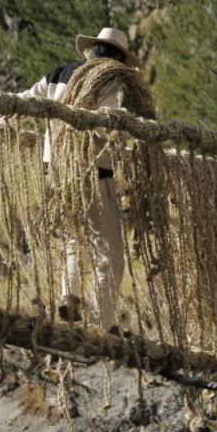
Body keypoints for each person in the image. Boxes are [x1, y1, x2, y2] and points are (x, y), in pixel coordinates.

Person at [18, 27, 145, 333]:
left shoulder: (59, 74)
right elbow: (104, 127)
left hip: (58, 170)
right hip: (94, 171)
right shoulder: (110, 80)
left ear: (92, 50)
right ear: (116, 58)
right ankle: (101, 324)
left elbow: (23, 101)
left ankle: (70, 296)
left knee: (75, 234)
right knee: (110, 253)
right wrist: (127, 129)